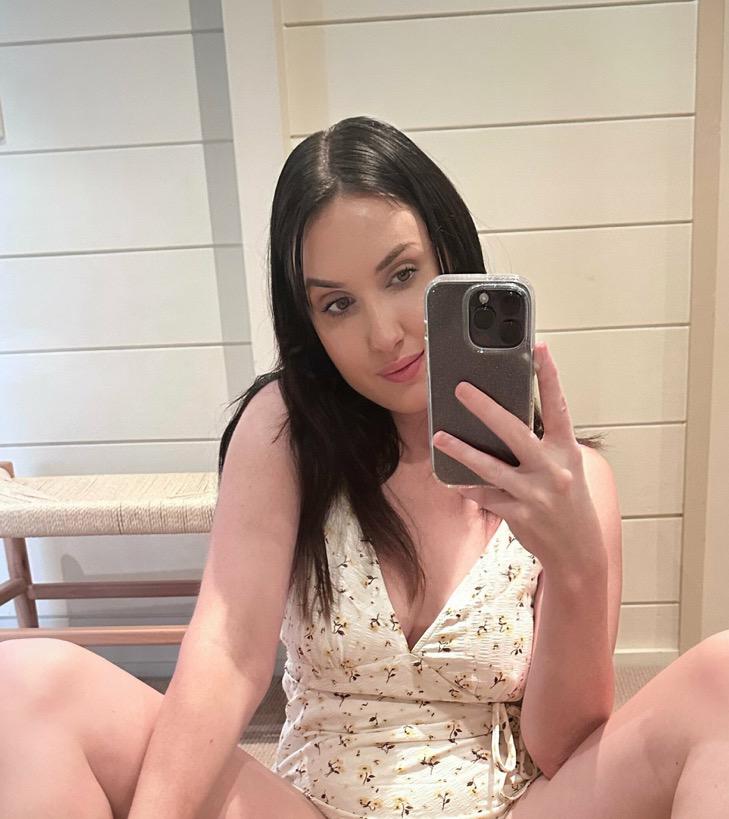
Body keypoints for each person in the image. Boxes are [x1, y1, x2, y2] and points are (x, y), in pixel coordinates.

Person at [0, 115, 727, 819]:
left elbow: (562, 749)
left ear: (451, 259)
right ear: (308, 322)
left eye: (403, 274)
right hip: (312, 805)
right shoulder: (286, 432)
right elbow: (228, 648)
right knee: (26, 683)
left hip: (509, 805)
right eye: (338, 304)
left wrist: (577, 565)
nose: (383, 334)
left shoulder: (570, 483)